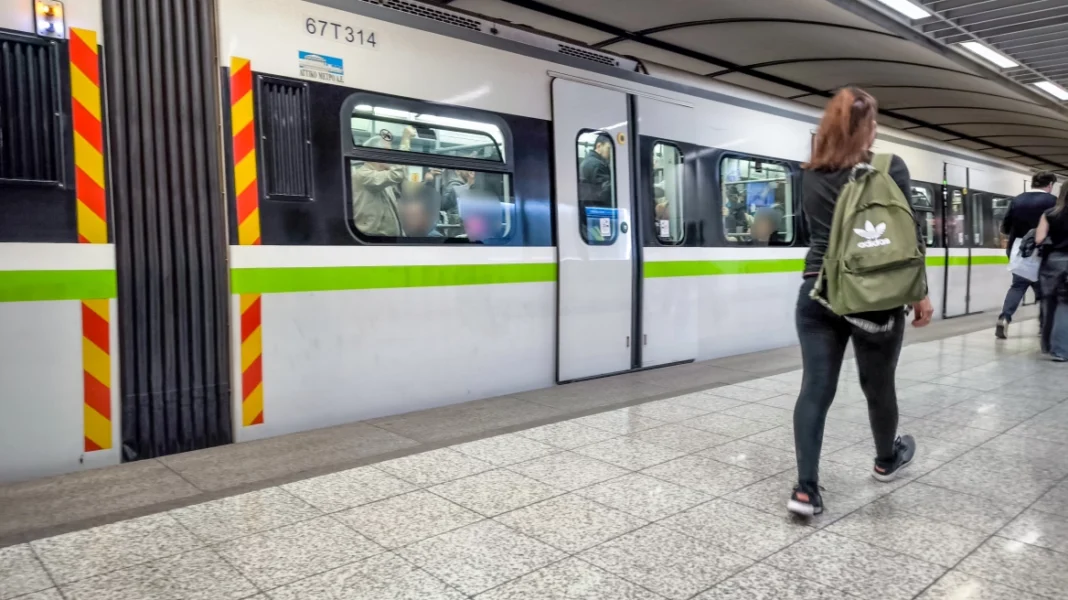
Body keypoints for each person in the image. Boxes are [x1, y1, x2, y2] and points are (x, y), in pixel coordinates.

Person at [788, 87, 933, 517]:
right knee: (878, 385)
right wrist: (920, 293)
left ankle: (805, 490)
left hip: (818, 291)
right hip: (876, 296)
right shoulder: (890, 167)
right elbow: (907, 235)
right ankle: (886, 460)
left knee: (815, 387)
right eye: (874, 121)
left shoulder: (809, 174)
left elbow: (816, 233)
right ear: (866, 127)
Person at [996, 171, 1057, 339]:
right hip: (1044, 252)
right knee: (1045, 290)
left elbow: (1005, 227)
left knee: (1018, 286)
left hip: (1020, 250)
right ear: (1050, 185)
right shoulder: (1053, 201)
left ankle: (1004, 318)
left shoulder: (1017, 200)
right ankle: (1044, 325)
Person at [351, 127, 415, 237]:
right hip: (372, 240)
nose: (391, 158)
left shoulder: (382, 176)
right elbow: (398, 173)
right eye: (388, 153)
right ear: (376, 155)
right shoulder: (363, 175)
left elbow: (404, 184)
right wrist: (405, 140)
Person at [1036, 184, 1068, 360]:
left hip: (1052, 262)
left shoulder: (1049, 214)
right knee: (1065, 306)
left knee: (1049, 303)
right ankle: (1061, 350)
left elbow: (1039, 239)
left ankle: (1048, 346)